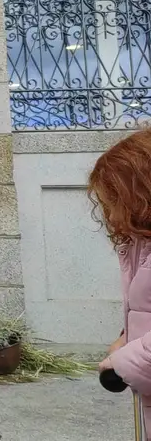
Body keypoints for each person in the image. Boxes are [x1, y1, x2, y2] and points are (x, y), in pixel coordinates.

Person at [90, 129, 151, 438]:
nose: (109, 214)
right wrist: (126, 336)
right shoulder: (139, 245)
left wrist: (122, 363)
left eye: (113, 200)